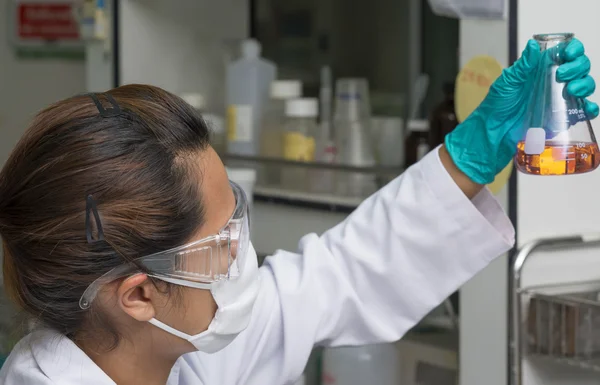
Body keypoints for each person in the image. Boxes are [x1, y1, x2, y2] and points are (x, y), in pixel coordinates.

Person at [0, 38, 596, 385]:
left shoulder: (170, 349)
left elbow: (339, 276)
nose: (242, 256)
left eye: (235, 217)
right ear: (137, 296)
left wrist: (471, 153)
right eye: (220, 245)